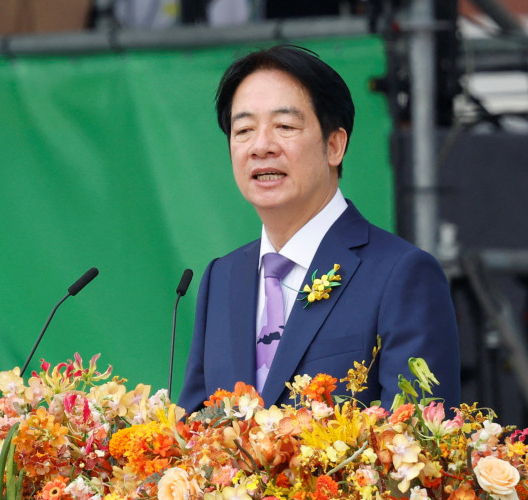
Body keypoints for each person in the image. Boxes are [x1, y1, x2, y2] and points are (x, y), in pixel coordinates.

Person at [179, 45, 459, 411]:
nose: (261, 146)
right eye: (244, 129)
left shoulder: (401, 275)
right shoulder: (222, 278)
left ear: (334, 145)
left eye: (284, 126)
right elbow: (194, 428)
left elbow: (422, 446)